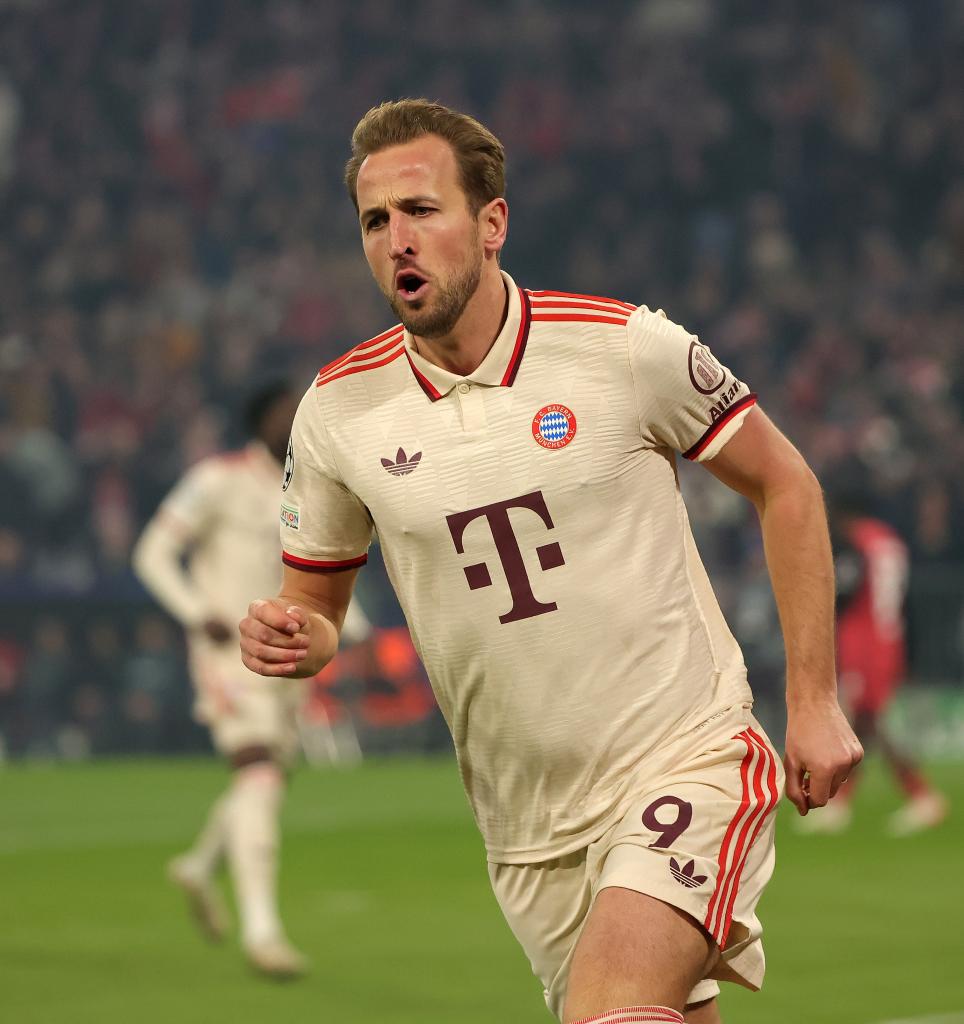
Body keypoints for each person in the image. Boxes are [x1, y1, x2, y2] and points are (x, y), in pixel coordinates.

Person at [239, 100, 862, 1023]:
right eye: (375, 220)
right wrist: (296, 636)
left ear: (492, 223)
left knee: (611, 1008)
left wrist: (812, 700)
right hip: (527, 831)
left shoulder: (623, 347)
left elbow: (787, 484)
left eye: (421, 210)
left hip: (684, 761)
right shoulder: (338, 412)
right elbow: (318, 606)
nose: (396, 239)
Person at [133, 380, 372, 979]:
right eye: (285, 412)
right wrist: (198, 613)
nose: (294, 421)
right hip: (228, 654)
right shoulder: (217, 479)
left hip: (289, 654)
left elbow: (321, 571)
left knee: (270, 776)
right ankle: (262, 932)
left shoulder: (309, 483)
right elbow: (152, 552)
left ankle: (199, 864)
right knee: (259, 771)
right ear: (261, 419)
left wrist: (356, 625)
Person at [798, 486, 949, 836]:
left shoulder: (855, 543)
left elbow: (846, 591)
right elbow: (904, 599)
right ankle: (846, 800)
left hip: (863, 640)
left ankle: (920, 794)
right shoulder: (888, 541)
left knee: (867, 720)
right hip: (889, 637)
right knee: (864, 720)